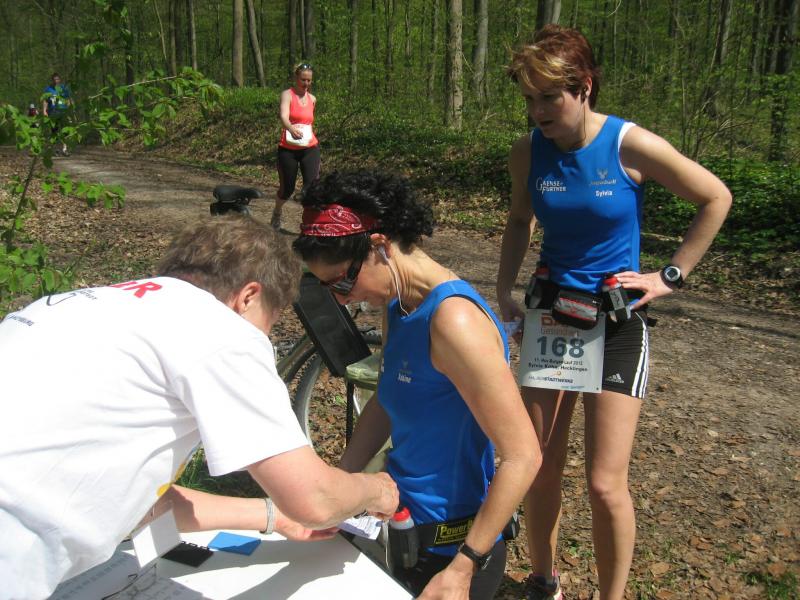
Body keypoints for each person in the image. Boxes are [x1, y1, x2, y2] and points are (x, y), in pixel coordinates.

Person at [0, 216, 398, 599]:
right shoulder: (219, 329)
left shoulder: (72, 306)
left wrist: (274, 517)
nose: (264, 336)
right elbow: (315, 499)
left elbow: (136, 502)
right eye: (270, 321)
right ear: (248, 297)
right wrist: (375, 489)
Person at [497, 25, 732, 600]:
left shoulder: (629, 145)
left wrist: (669, 276)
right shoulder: (529, 150)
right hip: (552, 316)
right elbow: (520, 219)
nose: (537, 111)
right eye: (528, 98)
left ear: (584, 87)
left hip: (617, 321)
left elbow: (715, 197)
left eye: (549, 97)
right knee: (537, 465)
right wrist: (505, 290)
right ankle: (543, 579)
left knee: (604, 483)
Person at [293, 170, 541, 600]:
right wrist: (339, 485)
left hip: (451, 547)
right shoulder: (400, 305)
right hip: (399, 523)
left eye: (343, 281)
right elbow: (386, 401)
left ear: (379, 246)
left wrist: (464, 566)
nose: (342, 299)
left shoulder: (454, 321)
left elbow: (523, 456)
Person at [273, 62, 320, 231]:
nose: (306, 83)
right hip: (288, 149)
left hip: (309, 148)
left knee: (312, 188)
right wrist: (291, 128)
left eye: (309, 80)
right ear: (296, 78)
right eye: (303, 80)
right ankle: (277, 213)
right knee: (287, 189)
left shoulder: (312, 99)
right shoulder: (287, 95)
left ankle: (308, 224)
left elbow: (309, 121)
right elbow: (283, 116)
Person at [42, 71, 72, 155]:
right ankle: (55, 149)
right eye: (54, 79)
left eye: (57, 79)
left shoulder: (64, 88)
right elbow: (45, 100)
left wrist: (68, 111)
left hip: (63, 111)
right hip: (53, 112)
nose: (56, 81)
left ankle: (65, 149)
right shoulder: (48, 89)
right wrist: (44, 110)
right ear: (52, 80)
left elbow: (68, 100)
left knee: (65, 131)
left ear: (60, 80)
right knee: (54, 131)